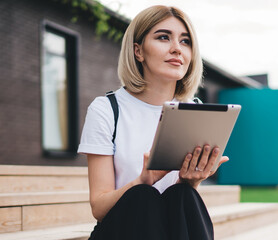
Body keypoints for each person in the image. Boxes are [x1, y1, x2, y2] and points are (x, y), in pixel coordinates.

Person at [78, 5, 229, 240]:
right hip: (123, 228)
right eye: (163, 37)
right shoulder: (107, 108)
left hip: (170, 229)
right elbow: (99, 209)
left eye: (185, 41)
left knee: (183, 195)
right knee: (143, 196)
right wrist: (142, 180)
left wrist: (191, 181)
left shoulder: (195, 110)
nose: (177, 49)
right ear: (138, 51)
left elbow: (182, 210)